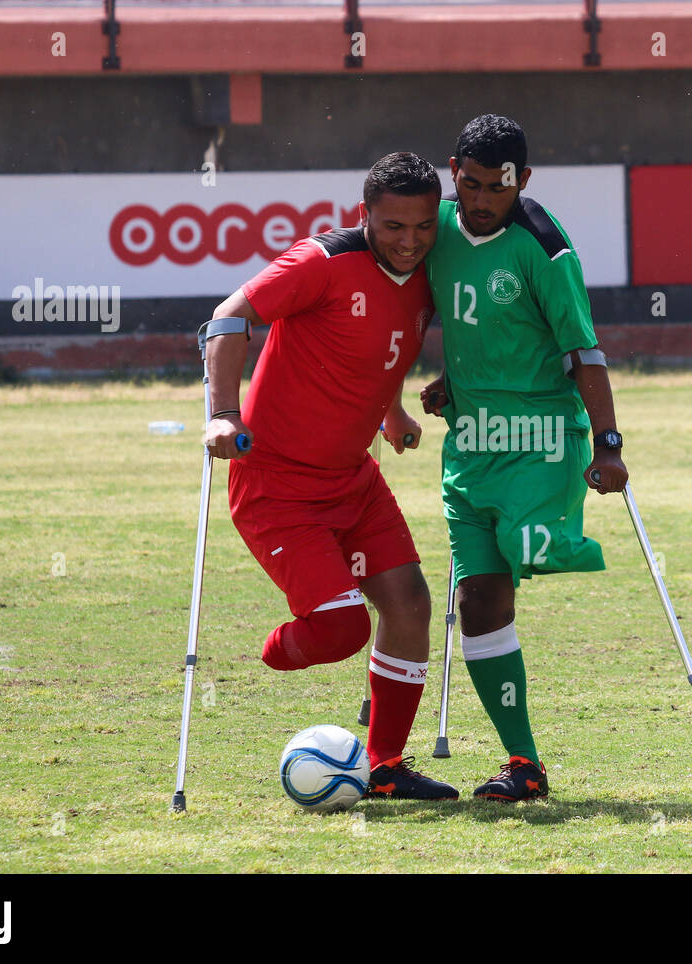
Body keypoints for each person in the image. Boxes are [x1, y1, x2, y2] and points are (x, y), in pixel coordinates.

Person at [205, 152, 457, 800]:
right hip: (277, 487)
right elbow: (230, 318)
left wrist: (392, 413)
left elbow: (378, 353)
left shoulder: (429, 273)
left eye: (423, 226)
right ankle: (273, 649)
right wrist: (223, 416)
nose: (410, 241)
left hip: (353, 481)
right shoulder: (322, 262)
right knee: (345, 630)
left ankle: (387, 769)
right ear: (364, 215)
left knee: (410, 606)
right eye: (394, 226)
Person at [420, 115, 628, 802]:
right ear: (454, 170)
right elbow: (453, 314)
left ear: (524, 182)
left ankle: (557, 541)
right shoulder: (437, 228)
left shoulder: (544, 246)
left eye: (498, 189)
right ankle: (524, 764)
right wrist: (453, 378)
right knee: (476, 597)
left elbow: (582, 352)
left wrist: (608, 445)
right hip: (472, 447)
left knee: (524, 555)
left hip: (541, 441)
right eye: (471, 185)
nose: (482, 201)